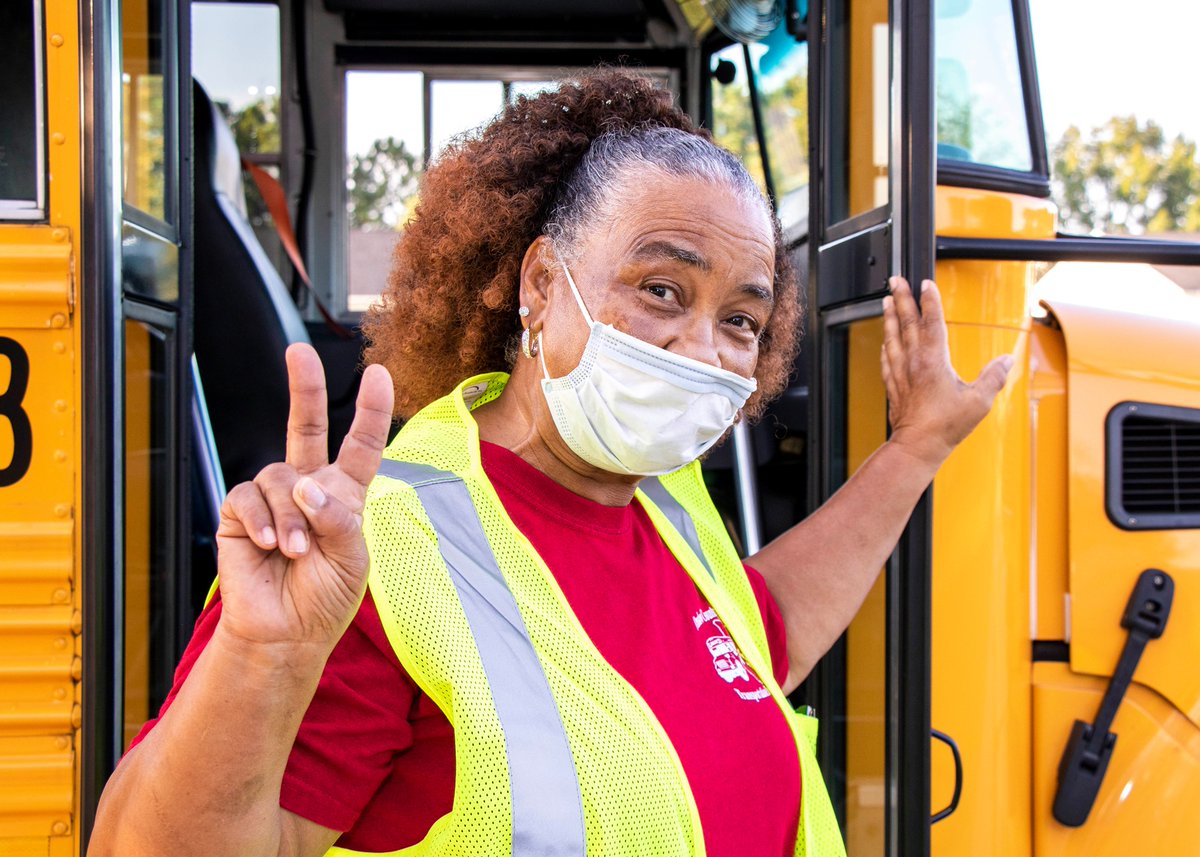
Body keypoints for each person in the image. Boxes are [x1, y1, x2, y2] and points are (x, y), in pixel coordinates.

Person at [88, 69, 1011, 857]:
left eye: (740, 319)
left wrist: (918, 444)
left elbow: (758, 642)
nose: (703, 351)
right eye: (661, 290)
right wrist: (261, 659)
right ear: (540, 284)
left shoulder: (660, 494)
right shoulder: (381, 556)